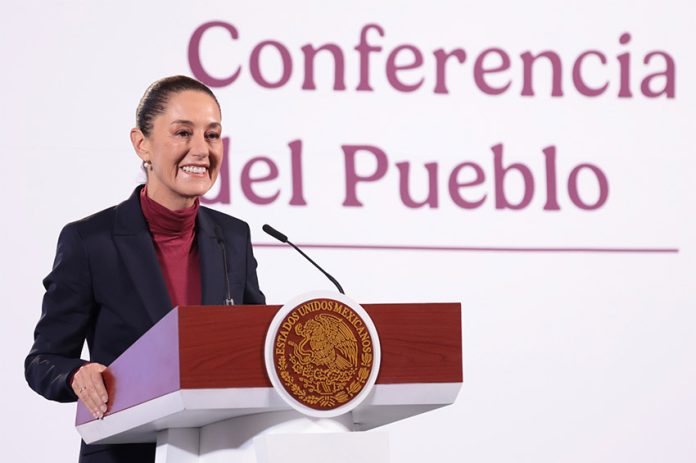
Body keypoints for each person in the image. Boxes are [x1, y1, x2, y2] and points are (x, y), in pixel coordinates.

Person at [25, 75, 265, 463]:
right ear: (142, 144)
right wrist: (76, 374)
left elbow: (256, 343)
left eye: (212, 135)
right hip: (124, 452)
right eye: (183, 133)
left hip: (220, 450)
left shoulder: (233, 237)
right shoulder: (90, 241)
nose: (201, 150)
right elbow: (43, 361)